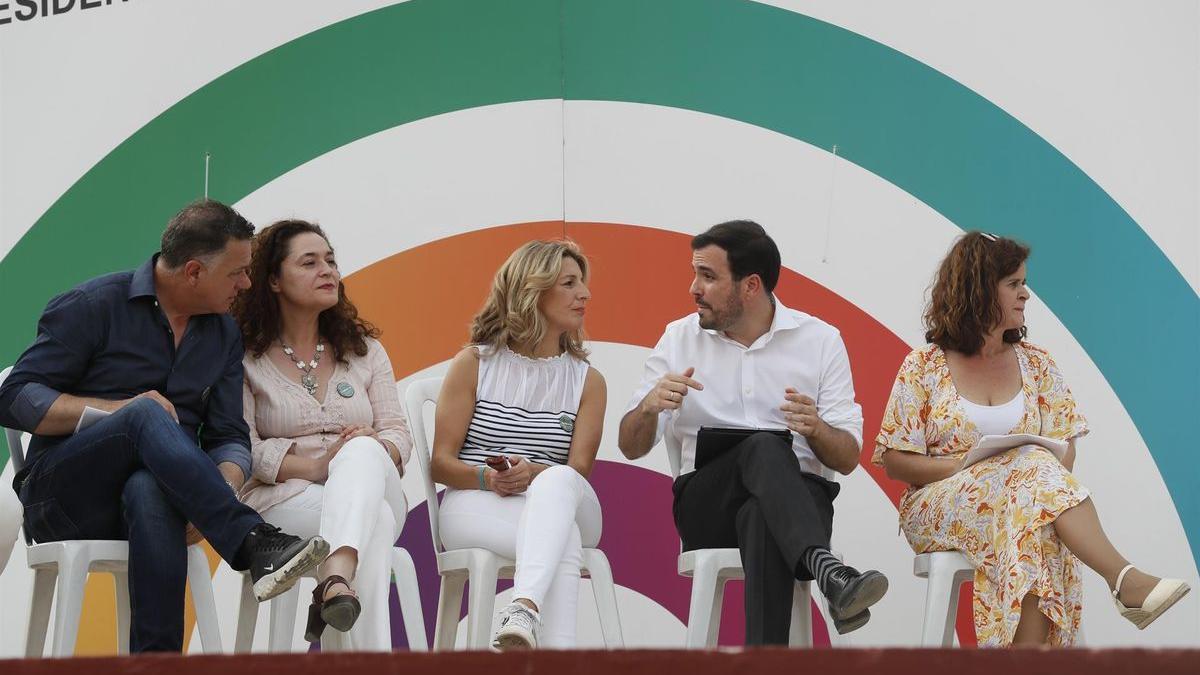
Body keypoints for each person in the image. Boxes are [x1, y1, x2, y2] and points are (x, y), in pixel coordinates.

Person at [0, 200, 328, 653]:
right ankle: (251, 541)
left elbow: (229, 435)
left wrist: (218, 486)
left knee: (149, 486)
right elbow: (15, 397)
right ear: (193, 272)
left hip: (162, 502)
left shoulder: (223, 334)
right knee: (145, 413)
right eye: (237, 272)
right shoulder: (93, 306)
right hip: (63, 499)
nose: (247, 283)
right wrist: (118, 411)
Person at [874, 231, 1190, 646]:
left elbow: (1065, 454)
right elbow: (896, 460)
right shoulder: (924, 365)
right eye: (1014, 284)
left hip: (1023, 504)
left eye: (1024, 282)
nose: (1026, 294)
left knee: (1034, 520)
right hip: (939, 505)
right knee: (1030, 474)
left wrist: (1019, 472)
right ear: (979, 291)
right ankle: (1123, 579)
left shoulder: (1038, 364)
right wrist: (965, 465)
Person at [619, 220, 888, 645]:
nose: (694, 288)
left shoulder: (820, 341)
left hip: (800, 506)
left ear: (750, 285)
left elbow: (848, 457)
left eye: (708, 276)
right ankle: (829, 571)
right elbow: (630, 446)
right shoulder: (678, 338)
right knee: (762, 446)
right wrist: (650, 406)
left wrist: (816, 428)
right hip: (709, 507)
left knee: (763, 514)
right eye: (695, 273)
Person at [234, 220, 412, 649]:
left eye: (331, 260)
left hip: (374, 482)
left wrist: (369, 447)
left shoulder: (365, 350)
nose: (328, 270)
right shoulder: (245, 357)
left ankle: (333, 577)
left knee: (364, 449)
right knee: (376, 523)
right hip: (283, 500)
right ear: (273, 280)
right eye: (310, 262)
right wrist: (317, 464)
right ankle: (341, 587)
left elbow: (399, 434)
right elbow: (244, 449)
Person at [430, 240, 606, 650]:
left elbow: (578, 471)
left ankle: (523, 604)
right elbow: (440, 463)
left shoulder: (588, 381)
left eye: (582, 283)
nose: (585, 294)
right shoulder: (474, 364)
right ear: (533, 291)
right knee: (562, 539)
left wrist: (534, 473)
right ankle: (544, 640)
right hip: (475, 499)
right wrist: (487, 478)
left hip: (563, 500)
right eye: (569, 283)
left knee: (558, 482)